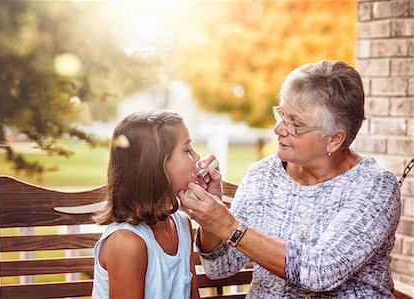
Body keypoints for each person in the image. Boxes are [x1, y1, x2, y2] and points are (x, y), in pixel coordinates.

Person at [180, 60, 401, 298]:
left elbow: (321, 272)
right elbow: (220, 267)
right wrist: (211, 220)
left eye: (295, 124)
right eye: (282, 115)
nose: (279, 129)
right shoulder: (264, 175)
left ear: (334, 139)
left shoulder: (375, 188)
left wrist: (228, 225)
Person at [92, 111, 201, 299]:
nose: (197, 158)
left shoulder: (182, 224)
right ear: (158, 166)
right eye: (187, 150)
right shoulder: (127, 243)